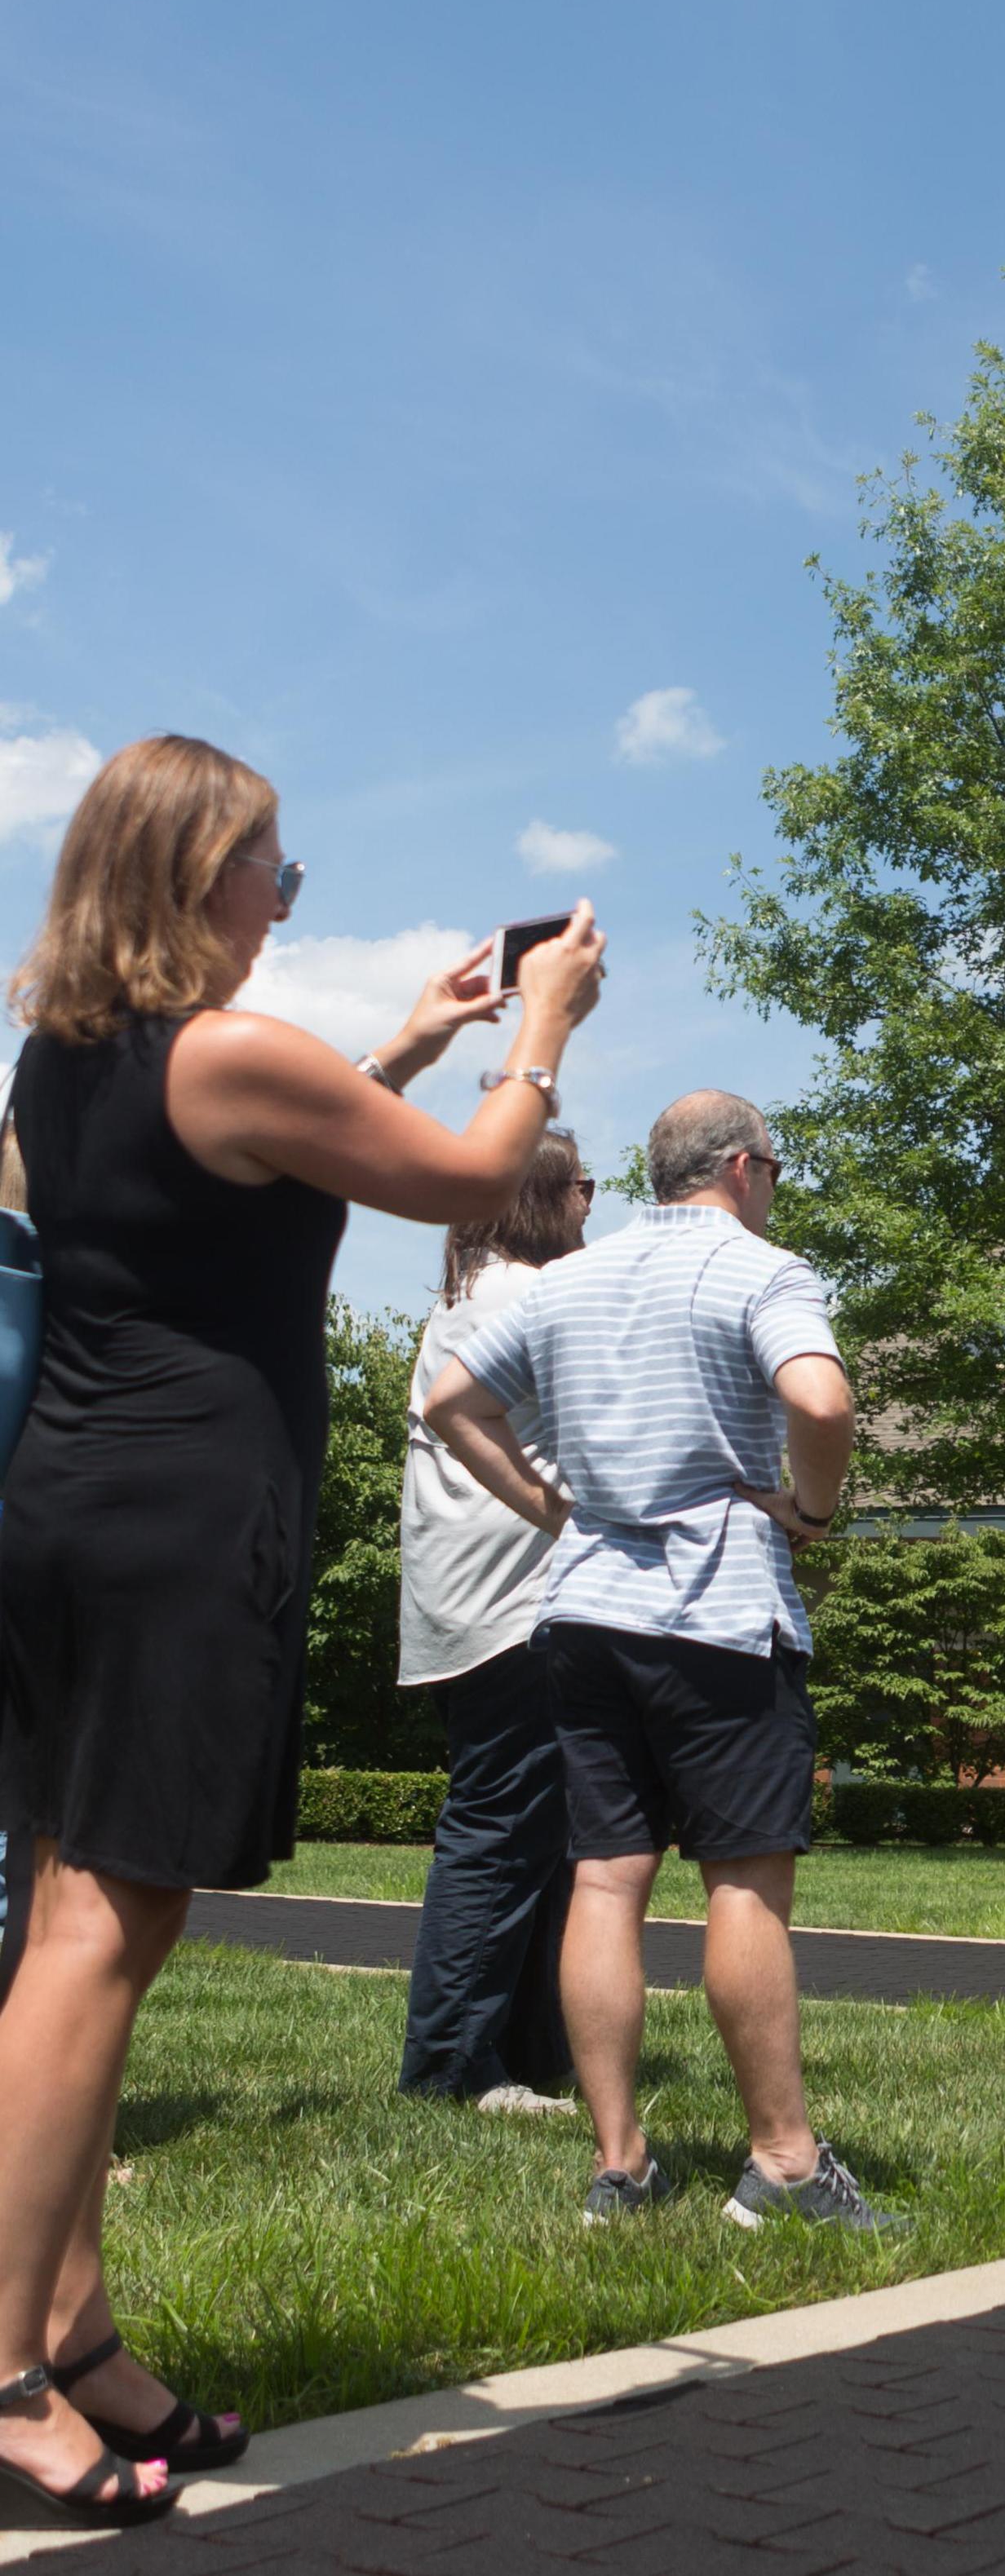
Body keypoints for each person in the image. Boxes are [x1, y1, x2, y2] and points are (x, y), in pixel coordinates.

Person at [0, 735, 604, 2532]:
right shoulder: (229, 1049)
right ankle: (10, 2380)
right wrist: (539, 1025)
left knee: (75, 1911)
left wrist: (402, 1045)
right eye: (277, 866)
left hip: (74, 1511)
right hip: (180, 1524)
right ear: (201, 876)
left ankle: (77, 2327)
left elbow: (247, 1160)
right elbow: (470, 1177)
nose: (288, 892)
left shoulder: (70, 1056)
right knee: (101, 1930)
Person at [425, 1088, 897, 2233]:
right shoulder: (759, 1268)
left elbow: (451, 1400)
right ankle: (784, 2164)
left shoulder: (572, 1278)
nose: (775, 1186)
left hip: (583, 1613)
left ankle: (621, 2163)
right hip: (721, 1615)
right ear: (740, 1167)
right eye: (774, 1168)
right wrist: (812, 1510)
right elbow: (822, 1399)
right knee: (742, 1882)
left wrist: (553, 1504)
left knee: (602, 1878)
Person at [396, 1131, 594, 2112]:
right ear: (538, 1197)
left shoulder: (466, 1298)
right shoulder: (525, 1296)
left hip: (464, 1612)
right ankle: (451, 2063)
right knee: (504, 1828)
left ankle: (523, 2051)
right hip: (511, 1613)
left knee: (536, 1828)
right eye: (582, 1184)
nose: (594, 1199)